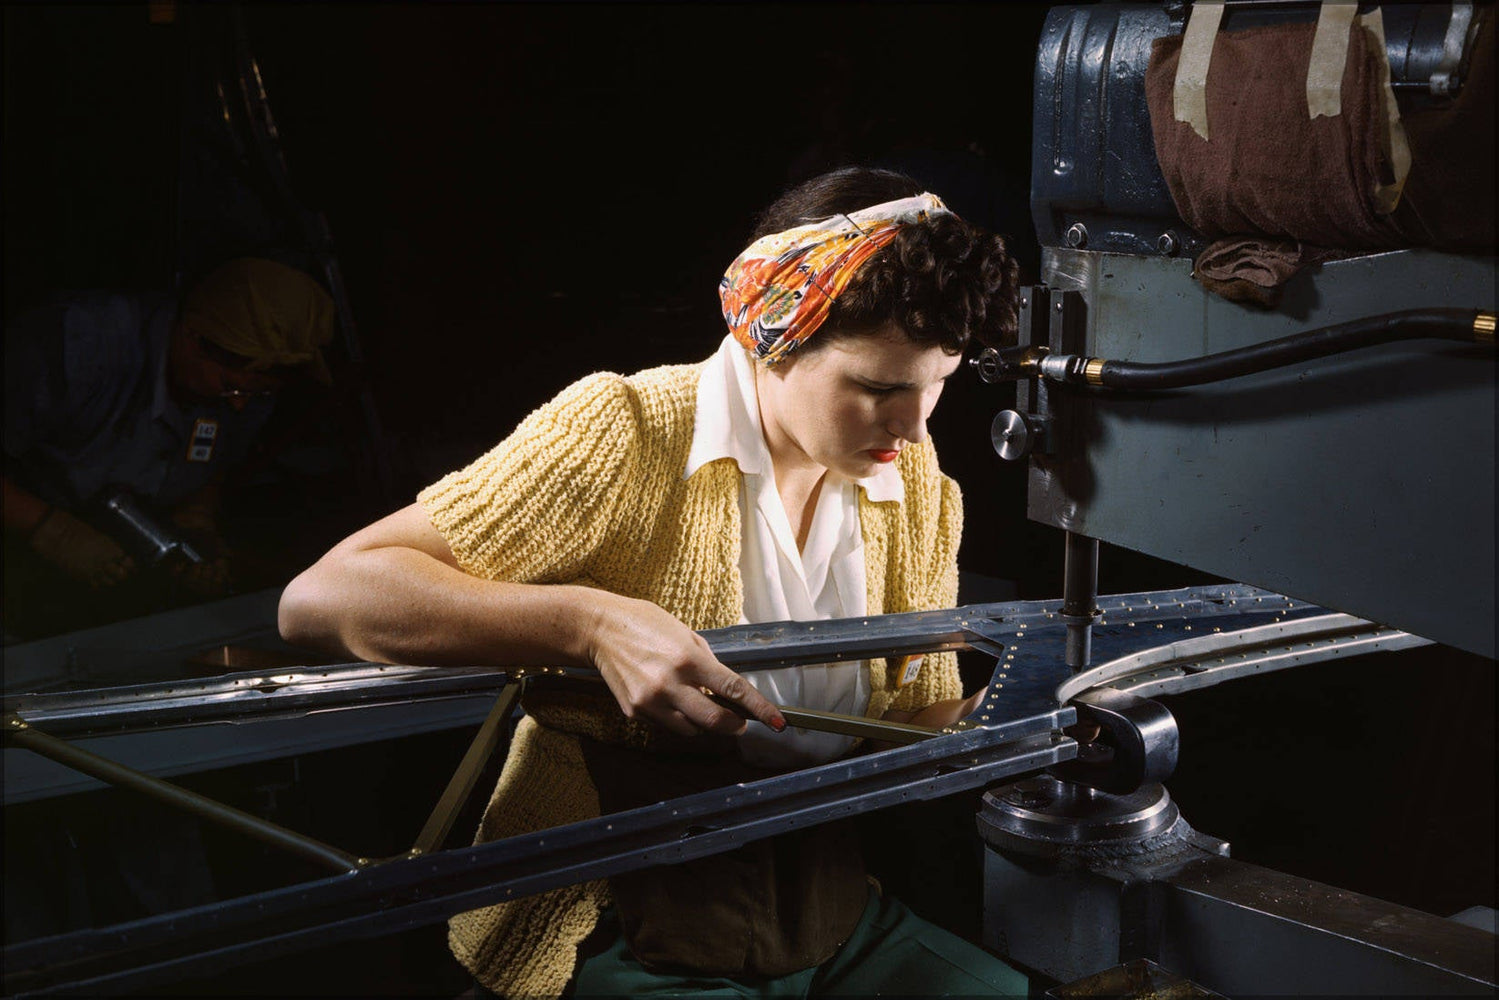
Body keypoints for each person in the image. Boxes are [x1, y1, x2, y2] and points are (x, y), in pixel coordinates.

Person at [278, 166, 1026, 996]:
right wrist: (590, 624)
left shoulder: (916, 488)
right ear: (768, 336)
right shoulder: (629, 433)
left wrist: (1004, 719)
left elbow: (907, 722)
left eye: (937, 387)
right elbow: (324, 597)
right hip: (617, 912)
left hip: (818, 902)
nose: (915, 427)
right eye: (877, 388)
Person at [3, 256, 335, 636]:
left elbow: (220, 457)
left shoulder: (250, 388)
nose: (240, 403)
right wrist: (49, 531)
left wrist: (197, 520)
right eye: (233, 386)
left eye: (257, 392)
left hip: (125, 558)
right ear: (192, 337)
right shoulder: (75, 343)